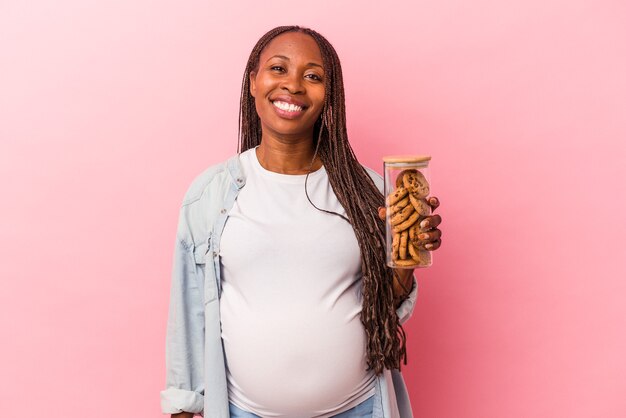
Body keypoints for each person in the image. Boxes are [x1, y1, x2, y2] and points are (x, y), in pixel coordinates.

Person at [160, 26, 442, 418]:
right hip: (246, 412)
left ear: (330, 96)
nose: (293, 85)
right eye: (278, 68)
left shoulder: (367, 192)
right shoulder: (210, 195)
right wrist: (184, 408)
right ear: (254, 83)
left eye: (313, 76)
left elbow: (385, 306)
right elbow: (189, 312)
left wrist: (406, 262)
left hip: (359, 407)